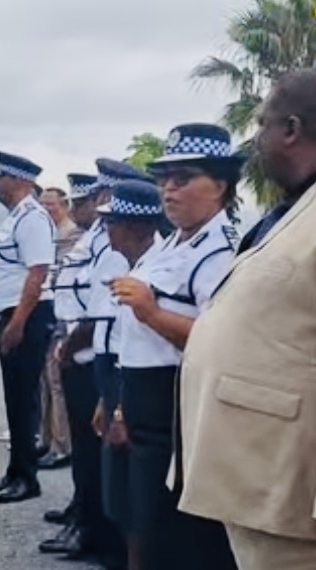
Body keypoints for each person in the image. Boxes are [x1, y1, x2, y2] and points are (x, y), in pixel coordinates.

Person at [177, 70, 316, 570]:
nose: (255, 139)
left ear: (292, 129)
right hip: (257, 478)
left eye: (262, 124)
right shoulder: (291, 207)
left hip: (293, 495)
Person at [105, 124, 243, 570]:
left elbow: (223, 342)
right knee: (142, 523)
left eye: (182, 178)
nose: (168, 189)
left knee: (174, 537)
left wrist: (152, 312)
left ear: (219, 185)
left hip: (177, 414)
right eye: (164, 178)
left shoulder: (219, 253)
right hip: (144, 406)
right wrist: (123, 405)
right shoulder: (174, 246)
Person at [44, 159, 151, 568]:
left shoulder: (111, 246)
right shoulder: (99, 239)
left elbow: (100, 311)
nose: (94, 205)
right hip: (91, 353)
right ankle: (84, 519)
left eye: (101, 197)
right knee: (92, 458)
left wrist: (70, 347)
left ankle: (96, 533)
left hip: (96, 358)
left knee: (99, 457)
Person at [0, 151, 56, 504]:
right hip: (12, 315)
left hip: (26, 316)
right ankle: (15, 471)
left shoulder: (32, 218)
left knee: (24, 400)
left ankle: (27, 479)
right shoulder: (16, 218)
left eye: (1, 178)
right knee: (15, 398)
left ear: (19, 181)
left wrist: (18, 323)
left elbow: (38, 273)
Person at [37, 186, 82, 470]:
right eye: (42, 205)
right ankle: (46, 439)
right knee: (45, 381)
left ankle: (61, 445)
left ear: (64, 205)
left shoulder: (73, 235)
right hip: (51, 311)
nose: (46, 210)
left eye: (51, 205)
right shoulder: (50, 232)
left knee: (56, 382)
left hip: (66, 315)